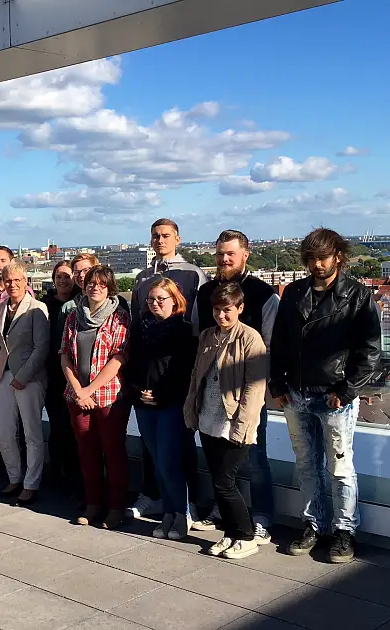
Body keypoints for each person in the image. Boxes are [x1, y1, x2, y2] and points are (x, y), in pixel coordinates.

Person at [270, 228, 381, 564]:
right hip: (297, 393)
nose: (317, 264)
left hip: (334, 397)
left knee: (340, 467)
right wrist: (278, 385)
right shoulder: (294, 293)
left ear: (338, 257)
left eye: (323, 257)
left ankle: (345, 530)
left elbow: (370, 351)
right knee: (306, 465)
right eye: (311, 258)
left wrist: (346, 391)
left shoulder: (357, 296)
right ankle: (313, 525)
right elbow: (280, 342)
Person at [191, 230, 279, 542]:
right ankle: (223, 511)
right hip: (212, 392)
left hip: (248, 392)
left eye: (230, 253)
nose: (224, 259)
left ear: (245, 255)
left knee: (254, 457)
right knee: (218, 458)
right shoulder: (205, 293)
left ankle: (262, 517)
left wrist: (262, 391)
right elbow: (198, 336)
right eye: (219, 254)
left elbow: (270, 345)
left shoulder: (263, 294)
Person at [129, 218, 207, 521]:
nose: (159, 240)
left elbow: (197, 326)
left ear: (177, 239)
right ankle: (157, 498)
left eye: (165, 235)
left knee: (180, 447)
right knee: (153, 450)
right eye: (155, 236)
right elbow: (138, 325)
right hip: (147, 380)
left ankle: (189, 504)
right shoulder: (143, 277)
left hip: (177, 381)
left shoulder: (193, 273)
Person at [184, 282, 267, 560]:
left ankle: (246, 536)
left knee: (225, 481)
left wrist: (242, 427)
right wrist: (191, 410)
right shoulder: (208, 336)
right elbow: (196, 375)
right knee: (218, 479)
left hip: (234, 421)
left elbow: (254, 388)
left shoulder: (250, 338)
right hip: (208, 417)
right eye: (217, 310)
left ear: (240, 308)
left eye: (227, 310)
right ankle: (230, 534)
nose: (221, 315)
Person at [125, 278, 197, 539]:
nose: (155, 304)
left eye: (161, 299)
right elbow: (131, 364)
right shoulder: (139, 328)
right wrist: (138, 391)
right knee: (157, 461)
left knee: (169, 461)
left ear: (174, 301)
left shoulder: (184, 330)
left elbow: (185, 372)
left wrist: (160, 394)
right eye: (151, 299)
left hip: (171, 404)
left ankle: (181, 513)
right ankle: (167, 512)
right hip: (144, 404)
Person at [60, 266, 130, 528]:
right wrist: (78, 390)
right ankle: (93, 504)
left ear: (110, 288)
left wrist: (89, 390)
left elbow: (119, 357)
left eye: (101, 284)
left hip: (109, 396)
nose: (95, 287)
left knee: (113, 452)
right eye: (91, 283)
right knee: (87, 452)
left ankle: (116, 507)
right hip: (77, 396)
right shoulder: (73, 316)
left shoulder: (119, 317)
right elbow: (65, 354)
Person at [0, 261, 49, 506]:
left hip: (29, 378)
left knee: (31, 433)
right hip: (3, 375)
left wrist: (22, 377)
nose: (12, 284)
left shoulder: (37, 308)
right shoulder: (0, 308)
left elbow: (41, 347)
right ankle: (14, 477)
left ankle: (30, 484)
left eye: (17, 280)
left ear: (26, 282)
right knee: (3, 431)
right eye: (8, 280)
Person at [0, 246, 34, 480]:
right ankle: (1, 470)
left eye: (3, 260)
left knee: (24, 425)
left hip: (22, 366)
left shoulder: (28, 293)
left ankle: (26, 473)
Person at [42, 261, 81, 490]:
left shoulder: (79, 304)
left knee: (75, 429)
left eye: (67, 276)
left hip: (76, 376)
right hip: (53, 375)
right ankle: (57, 472)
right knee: (57, 427)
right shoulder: (45, 305)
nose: (63, 280)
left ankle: (75, 477)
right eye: (59, 277)